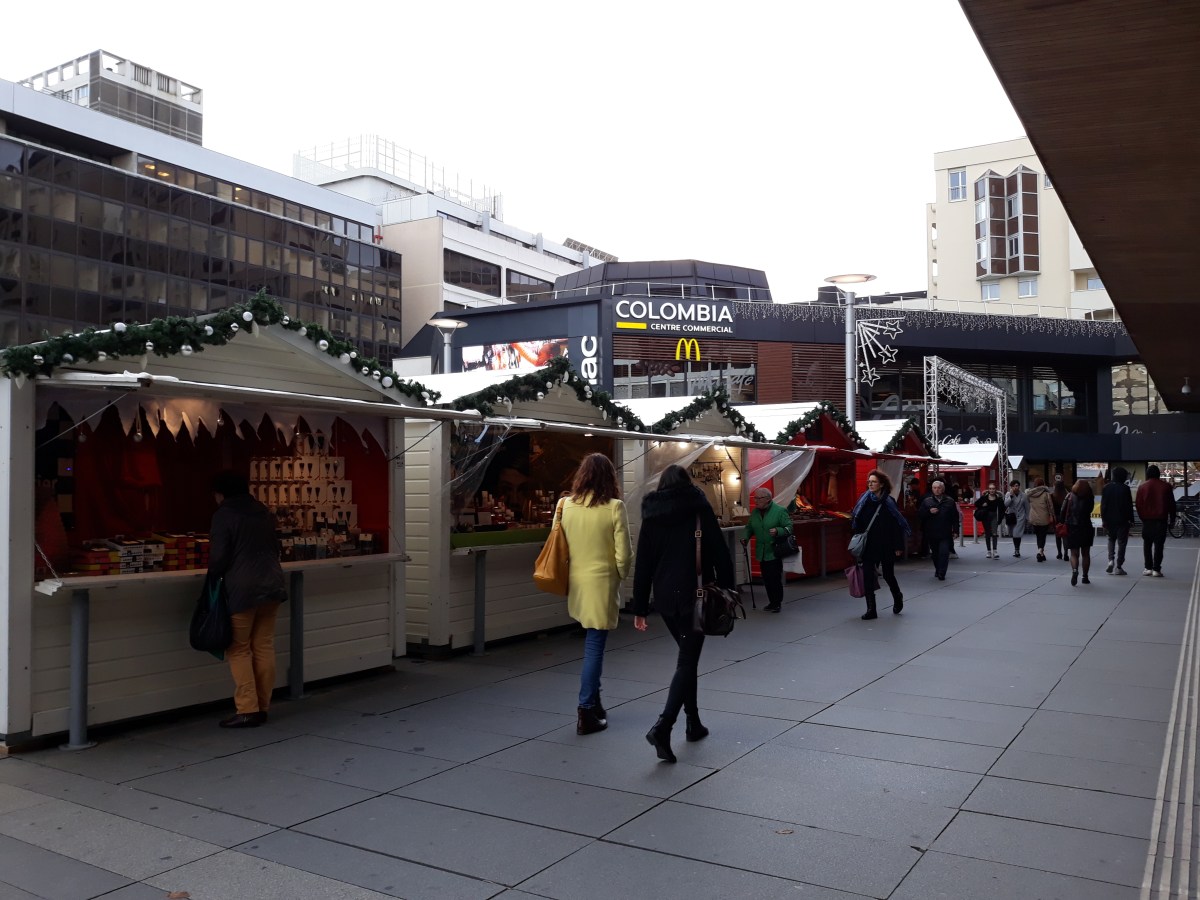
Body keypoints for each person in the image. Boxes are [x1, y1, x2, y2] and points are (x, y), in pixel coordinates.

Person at [632, 465, 735, 763]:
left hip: (665, 599)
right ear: (687, 484)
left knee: (686, 661)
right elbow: (720, 552)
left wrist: (640, 607)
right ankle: (664, 726)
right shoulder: (699, 510)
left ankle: (694, 722)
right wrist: (728, 591)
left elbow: (644, 565)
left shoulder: (652, 516)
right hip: (696, 596)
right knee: (687, 661)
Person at [208, 470, 287, 729]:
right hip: (272, 585)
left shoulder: (224, 516)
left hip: (242, 589)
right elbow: (275, 547)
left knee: (238, 648)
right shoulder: (263, 512)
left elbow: (218, 558)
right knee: (264, 645)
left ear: (221, 493)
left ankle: (247, 709)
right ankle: (263, 706)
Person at [560, 453, 632, 735]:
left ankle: (595, 703)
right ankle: (586, 709)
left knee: (591, 639)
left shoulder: (565, 504)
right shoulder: (615, 507)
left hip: (577, 581)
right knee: (594, 645)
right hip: (602, 582)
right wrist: (621, 575)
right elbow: (623, 553)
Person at [850, 470, 910, 620]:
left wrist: (898, 546)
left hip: (887, 544)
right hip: (869, 545)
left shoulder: (889, 502)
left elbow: (896, 525)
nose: (870, 484)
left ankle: (897, 596)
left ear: (882, 484)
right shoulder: (863, 500)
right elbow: (857, 522)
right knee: (868, 576)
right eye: (869, 482)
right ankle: (871, 609)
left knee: (889, 574)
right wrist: (858, 540)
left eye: (874, 482)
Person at [741, 487, 792, 613]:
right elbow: (749, 527)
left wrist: (778, 531)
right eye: (755, 498)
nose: (756, 501)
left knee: (774, 577)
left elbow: (789, 528)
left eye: (759, 498)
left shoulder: (780, 511)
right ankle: (772, 602)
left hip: (774, 549)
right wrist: (745, 537)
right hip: (762, 551)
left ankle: (777, 602)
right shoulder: (755, 512)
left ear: (768, 499)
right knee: (766, 578)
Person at [1135, 464, 1177, 577]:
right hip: (1161, 521)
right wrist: (1172, 520)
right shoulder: (1166, 487)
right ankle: (1156, 569)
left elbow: (1138, 505)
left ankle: (1147, 567)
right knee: (1159, 546)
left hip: (1147, 521)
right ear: (1159, 474)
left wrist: (1142, 518)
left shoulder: (1142, 487)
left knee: (1147, 545)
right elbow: (1172, 505)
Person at [919, 479, 959, 580]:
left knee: (944, 553)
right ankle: (938, 568)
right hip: (932, 532)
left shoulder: (949, 501)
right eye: (934, 488)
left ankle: (942, 572)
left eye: (939, 488)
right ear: (932, 489)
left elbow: (955, 516)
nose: (937, 490)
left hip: (945, 532)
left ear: (943, 489)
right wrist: (929, 512)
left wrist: (956, 530)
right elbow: (920, 515)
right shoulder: (927, 501)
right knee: (935, 554)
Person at [1101, 466, 1134, 576]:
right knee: (1122, 543)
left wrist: (1104, 519)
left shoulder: (1106, 488)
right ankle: (1119, 566)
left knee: (1111, 539)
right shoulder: (1125, 489)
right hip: (1123, 520)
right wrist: (1131, 520)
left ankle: (1111, 559)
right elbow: (1129, 506)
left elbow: (1103, 505)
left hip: (1109, 520)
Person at [1062, 478, 1096, 586]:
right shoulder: (1090, 497)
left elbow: (1062, 511)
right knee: (1086, 554)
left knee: (1074, 553)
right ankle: (1085, 577)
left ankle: (1075, 571)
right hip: (1086, 526)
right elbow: (1090, 510)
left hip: (1072, 526)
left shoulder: (1069, 496)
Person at [1026, 477, 1057, 562]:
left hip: (1034, 517)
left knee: (1038, 536)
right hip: (1044, 517)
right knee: (1042, 536)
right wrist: (1052, 515)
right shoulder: (1046, 494)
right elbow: (1050, 506)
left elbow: (1028, 503)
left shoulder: (1030, 494)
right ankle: (1040, 552)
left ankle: (1041, 553)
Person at [973, 482, 1004, 559]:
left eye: (993, 489)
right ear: (988, 490)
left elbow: (1002, 508)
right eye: (990, 489)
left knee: (994, 533)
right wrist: (982, 505)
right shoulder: (984, 497)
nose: (992, 490)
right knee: (987, 533)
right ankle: (988, 551)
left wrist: (1000, 518)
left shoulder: (998, 498)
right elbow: (976, 504)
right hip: (986, 517)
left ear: (995, 490)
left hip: (994, 516)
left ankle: (995, 550)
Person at [1004, 480, 1030, 558]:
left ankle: (1017, 550)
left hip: (1020, 516)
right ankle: (1016, 548)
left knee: (1017, 534)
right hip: (1012, 516)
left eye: (1017, 486)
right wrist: (1011, 497)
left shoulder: (1024, 495)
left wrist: (1027, 518)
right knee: (1013, 534)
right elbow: (1006, 504)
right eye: (1014, 486)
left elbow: (1027, 507)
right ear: (1011, 487)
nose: (1016, 487)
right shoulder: (1008, 494)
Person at [1051, 474, 1069, 560]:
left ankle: (1059, 553)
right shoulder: (1067, 495)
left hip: (1056, 518)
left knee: (1058, 536)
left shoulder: (1053, 496)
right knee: (1065, 536)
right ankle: (1066, 553)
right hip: (1065, 518)